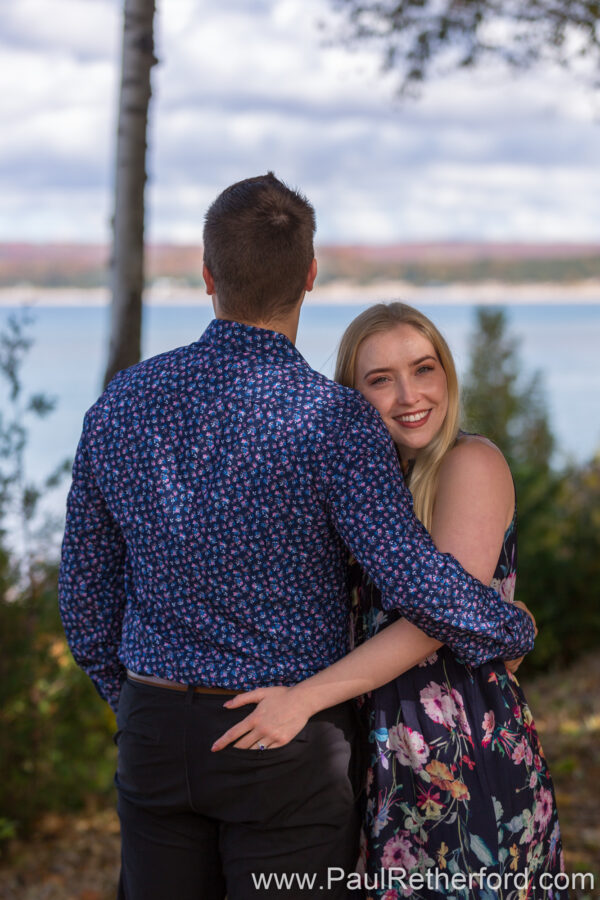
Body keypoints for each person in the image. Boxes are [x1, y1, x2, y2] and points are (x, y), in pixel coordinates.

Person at [58, 175, 535, 900]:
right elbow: (411, 577)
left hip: (155, 734)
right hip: (285, 747)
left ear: (209, 276)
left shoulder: (122, 403)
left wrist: (135, 706)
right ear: (310, 276)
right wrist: (505, 622)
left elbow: (85, 595)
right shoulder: (333, 421)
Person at [213, 302, 565, 899]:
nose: (409, 395)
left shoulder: (468, 462)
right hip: (376, 749)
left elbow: (436, 618)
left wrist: (301, 701)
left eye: (423, 369)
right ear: (351, 397)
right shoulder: (367, 484)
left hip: (458, 751)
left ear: (447, 376)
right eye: (381, 379)